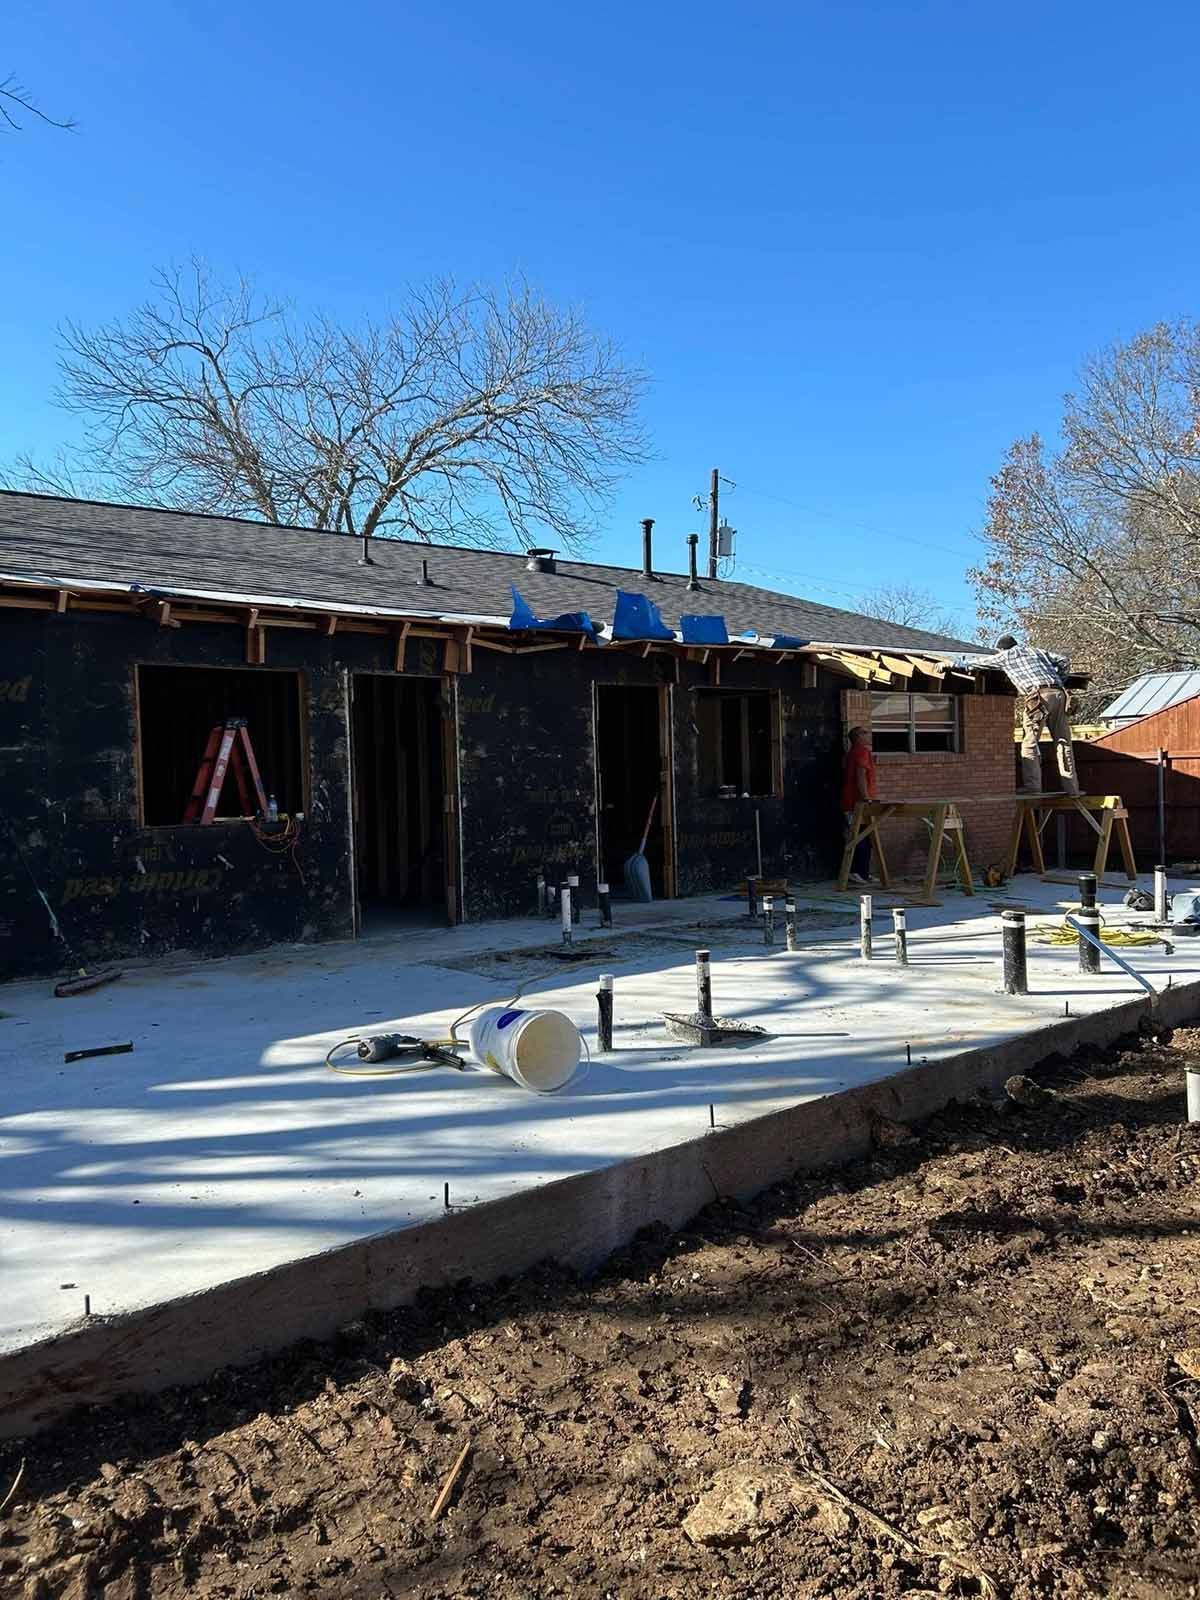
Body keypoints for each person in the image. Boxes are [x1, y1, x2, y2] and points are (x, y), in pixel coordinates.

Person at [985, 634, 1080, 796]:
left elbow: (977, 662)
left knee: (1030, 742)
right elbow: (1064, 660)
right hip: (1059, 694)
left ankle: (1033, 787)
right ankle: (1072, 788)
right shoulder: (1036, 651)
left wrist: (952, 663)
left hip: (1038, 698)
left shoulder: (1005, 656)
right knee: (1063, 742)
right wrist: (1061, 679)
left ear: (1001, 649)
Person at [841, 725, 877, 884]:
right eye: (865, 732)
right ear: (858, 737)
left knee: (861, 837)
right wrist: (866, 798)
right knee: (862, 838)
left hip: (851, 802)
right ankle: (858, 872)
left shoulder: (852, 752)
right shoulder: (862, 751)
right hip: (857, 803)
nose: (868, 735)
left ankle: (862, 873)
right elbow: (860, 776)